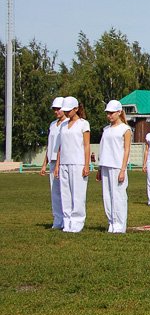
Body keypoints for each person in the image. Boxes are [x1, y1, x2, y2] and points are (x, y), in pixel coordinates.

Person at [54, 96, 90, 233]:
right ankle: (67, 221)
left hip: (78, 163)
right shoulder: (63, 125)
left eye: (69, 110)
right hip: (64, 163)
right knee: (65, 194)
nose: (67, 113)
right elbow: (60, 147)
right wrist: (57, 165)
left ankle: (77, 221)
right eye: (65, 110)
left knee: (78, 194)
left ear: (76, 109)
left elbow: (86, 146)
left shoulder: (83, 124)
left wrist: (86, 165)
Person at [96, 100, 131, 233]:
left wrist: (123, 169)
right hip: (105, 165)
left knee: (118, 196)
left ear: (119, 112)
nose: (109, 115)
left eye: (111, 113)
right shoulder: (106, 129)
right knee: (107, 196)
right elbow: (103, 148)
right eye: (107, 113)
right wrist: (99, 168)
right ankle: (111, 222)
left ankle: (120, 225)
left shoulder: (125, 129)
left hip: (117, 166)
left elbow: (126, 150)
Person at [40, 97, 67, 229]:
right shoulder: (52, 124)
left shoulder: (67, 123)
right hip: (52, 160)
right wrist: (44, 163)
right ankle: (57, 220)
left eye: (58, 109)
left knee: (65, 191)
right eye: (54, 109)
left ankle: (67, 220)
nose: (56, 111)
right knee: (54, 192)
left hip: (63, 161)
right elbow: (50, 145)